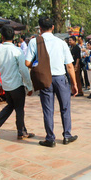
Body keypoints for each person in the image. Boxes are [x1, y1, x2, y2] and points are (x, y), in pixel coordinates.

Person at [24, 16, 78, 147]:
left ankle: (50, 138)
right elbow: (70, 66)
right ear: (53, 27)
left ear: (40, 29)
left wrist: (38, 65)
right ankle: (67, 135)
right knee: (65, 108)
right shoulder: (61, 43)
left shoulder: (34, 42)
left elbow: (27, 63)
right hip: (60, 78)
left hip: (45, 79)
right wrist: (74, 84)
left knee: (48, 110)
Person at [0, 25, 34, 141]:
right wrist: (29, 85)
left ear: (2, 36)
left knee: (11, 105)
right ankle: (21, 132)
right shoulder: (17, 51)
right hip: (16, 84)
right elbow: (23, 69)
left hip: (6, 85)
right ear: (14, 36)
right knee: (19, 108)